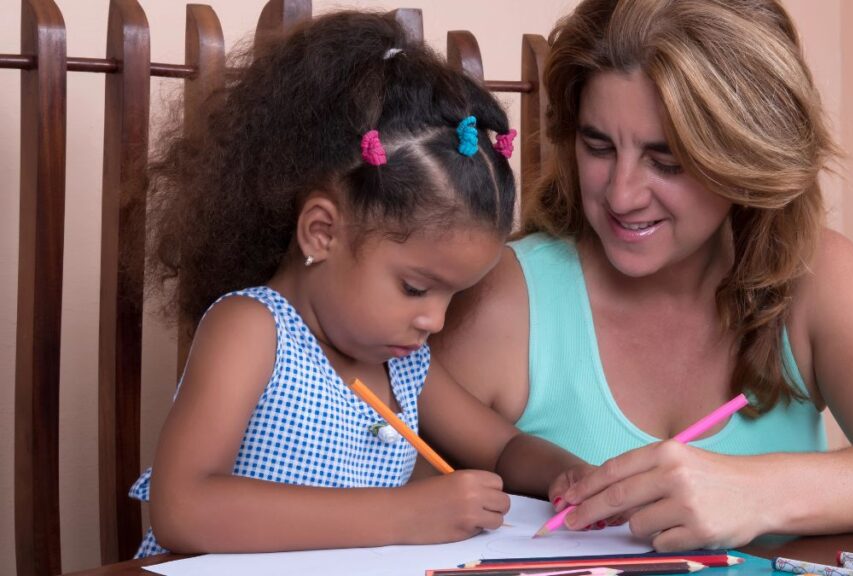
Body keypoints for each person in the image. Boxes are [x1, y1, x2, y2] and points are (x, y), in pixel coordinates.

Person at [433, 0, 853, 551]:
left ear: (745, 156)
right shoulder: (507, 297)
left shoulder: (815, 278)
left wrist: (755, 492)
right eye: (598, 145)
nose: (623, 194)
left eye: (668, 160)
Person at [127, 11, 583, 557]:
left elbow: (504, 447)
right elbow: (184, 509)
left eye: (452, 297)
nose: (435, 321)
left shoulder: (403, 364)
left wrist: (569, 474)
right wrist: (404, 513)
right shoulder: (253, 330)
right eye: (416, 288)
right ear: (322, 232)